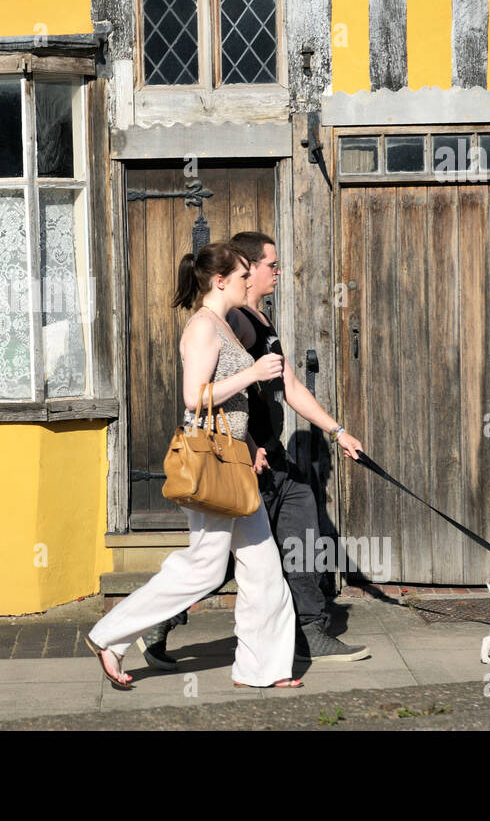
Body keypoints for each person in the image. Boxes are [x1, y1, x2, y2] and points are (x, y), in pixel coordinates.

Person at [140, 232, 370, 667]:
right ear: (244, 268)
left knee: (297, 532)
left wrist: (337, 430)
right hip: (244, 459)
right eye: (270, 265)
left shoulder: (260, 321)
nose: (277, 272)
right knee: (221, 560)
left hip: (272, 457)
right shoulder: (234, 322)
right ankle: (160, 620)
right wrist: (247, 442)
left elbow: (290, 386)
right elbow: (211, 391)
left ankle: (309, 630)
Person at [84, 242, 299, 689]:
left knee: (263, 569)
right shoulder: (203, 326)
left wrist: (253, 441)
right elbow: (193, 397)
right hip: (210, 461)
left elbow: (229, 400)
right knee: (204, 566)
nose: (248, 282)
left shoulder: (223, 324)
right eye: (243, 276)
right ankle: (110, 636)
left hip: (235, 457)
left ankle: (262, 669)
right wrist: (253, 374)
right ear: (220, 281)